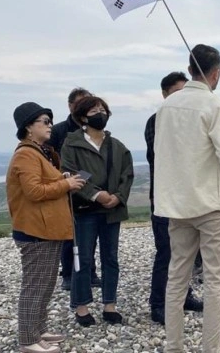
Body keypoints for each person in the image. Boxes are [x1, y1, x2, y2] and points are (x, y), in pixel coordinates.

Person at [154, 44, 220, 352]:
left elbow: (162, 152)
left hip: (177, 204)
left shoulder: (165, 107)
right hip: (212, 204)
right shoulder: (216, 105)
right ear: (216, 73)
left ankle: (174, 346)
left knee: (177, 277)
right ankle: (211, 349)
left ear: (190, 68)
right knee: (214, 282)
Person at [7, 102, 86, 353]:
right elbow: (33, 191)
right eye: (44, 121)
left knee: (45, 284)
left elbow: (43, 182)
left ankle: (38, 330)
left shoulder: (39, 152)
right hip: (35, 233)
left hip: (46, 230)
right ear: (28, 127)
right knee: (35, 287)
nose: (50, 125)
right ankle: (28, 340)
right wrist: (67, 185)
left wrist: (61, 179)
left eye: (50, 120)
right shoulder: (26, 154)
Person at [61, 96, 134, 327]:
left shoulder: (117, 146)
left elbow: (127, 174)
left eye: (103, 109)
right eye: (94, 110)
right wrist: (96, 194)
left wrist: (118, 197)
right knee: (83, 258)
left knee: (110, 258)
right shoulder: (71, 144)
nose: (100, 113)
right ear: (83, 116)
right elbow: (72, 174)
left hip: (111, 211)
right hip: (85, 211)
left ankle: (109, 304)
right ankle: (81, 306)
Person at [144, 71, 203, 325]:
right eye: (176, 93)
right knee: (166, 253)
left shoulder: (190, 120)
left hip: (189, 199)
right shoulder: (156, 121)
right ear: (165, 95)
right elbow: (166, 157)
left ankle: (185, 295)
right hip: (165, 200)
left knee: (188, 251)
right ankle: (158, 304)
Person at [48, 87, 99, 291]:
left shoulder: (94, 130)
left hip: (89, 189)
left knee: (91, 233)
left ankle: (90, 272)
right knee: (69, 235)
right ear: (70, 106)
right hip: (65, 191)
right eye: (80, 104)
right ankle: (68, 274)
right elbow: (50, 162)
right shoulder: (58, 131)